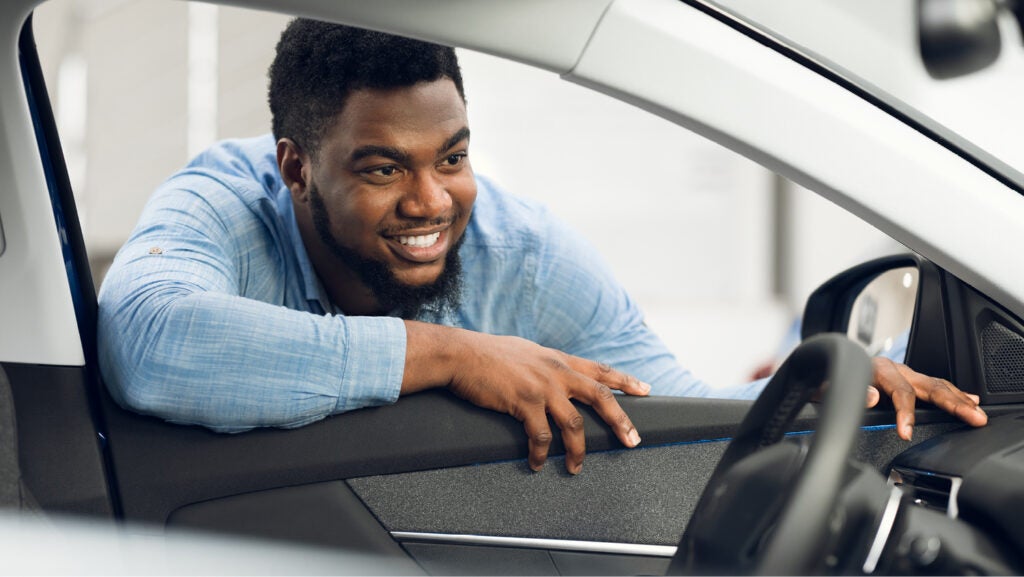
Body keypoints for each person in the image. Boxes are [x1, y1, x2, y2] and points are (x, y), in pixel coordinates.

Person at [97, 19, 987, 475]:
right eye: (382, 169)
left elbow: (669, 405)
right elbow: (149, 342)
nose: (431, 201)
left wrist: (827, 378)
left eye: (453, 156)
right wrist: (449, 354)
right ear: (295, 168)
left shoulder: (521, 252)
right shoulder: (223, 202)